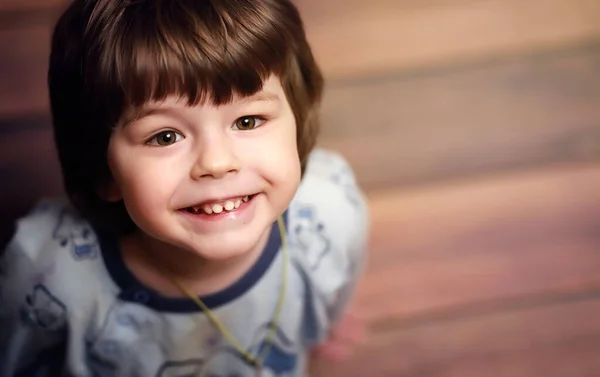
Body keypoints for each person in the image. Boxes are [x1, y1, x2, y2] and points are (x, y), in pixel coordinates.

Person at [0, 0, 369, 376]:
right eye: (165, 136)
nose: (217, 162)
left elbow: (339, 289)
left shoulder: (329, 211)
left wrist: (328, 320)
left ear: (297, 119)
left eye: (247, 120)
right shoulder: (48, 276)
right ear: (101, 168)